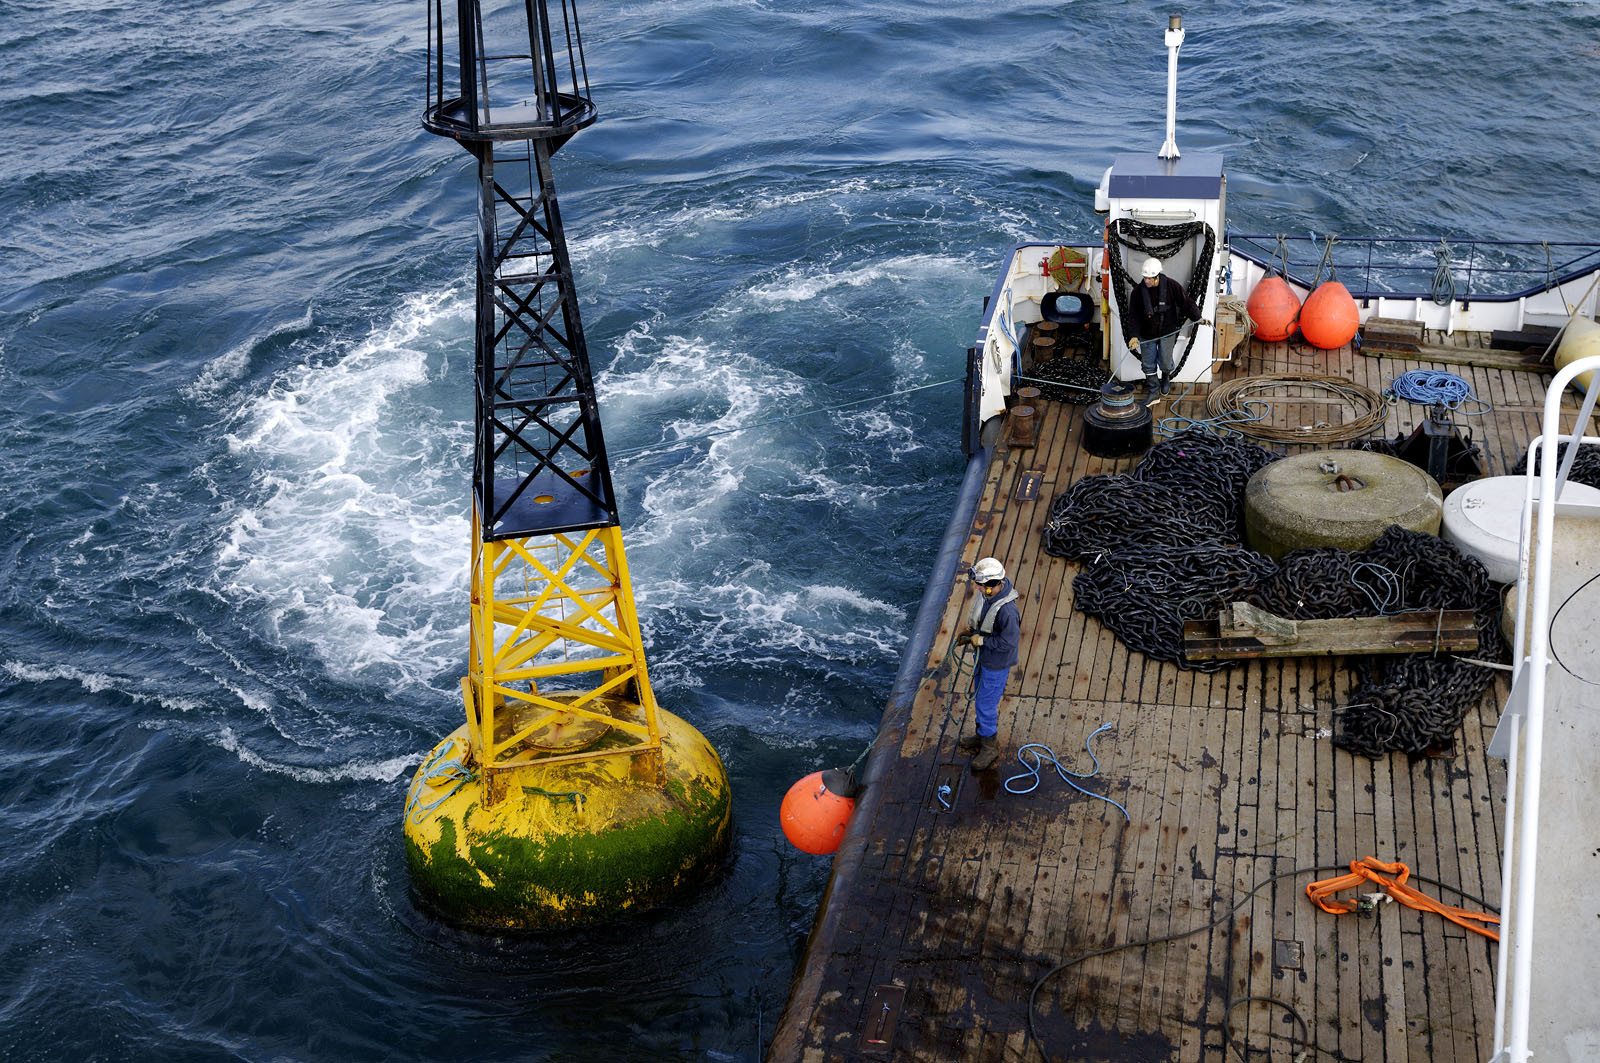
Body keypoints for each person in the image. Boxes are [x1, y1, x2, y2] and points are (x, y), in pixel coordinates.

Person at [955, 556, 1021, 772]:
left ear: (992, 585)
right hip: (982, 657)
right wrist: (971, 634)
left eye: (981, 585)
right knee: (980, 697)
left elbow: (1009, 641)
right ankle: (982, 734)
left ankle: (989, 747)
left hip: (996, 664)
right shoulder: (989, 597)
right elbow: (984, 623)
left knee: (985, 704)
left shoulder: (1007, 611)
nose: (978, 588)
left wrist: (981, 640)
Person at [1125, 256, 1208, 395]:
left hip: (1167, 331)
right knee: (1147, 363)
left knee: (1165, 361)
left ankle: (1165, 378)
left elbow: (1186, 303)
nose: (1147, 281)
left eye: (1150, 278)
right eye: (1145, 277)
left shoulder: (1172, 286)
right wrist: (1133, 336)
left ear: (1157, 277)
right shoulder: (1138, 292)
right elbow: (1133, 316)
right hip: (1147, 333)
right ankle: (1153, 389)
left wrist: (1198, 318)